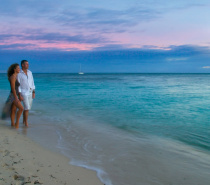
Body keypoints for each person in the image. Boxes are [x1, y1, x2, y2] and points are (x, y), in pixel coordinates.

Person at [1, 64, 24, 128]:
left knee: (13, 110)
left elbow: (17, 88)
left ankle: (12, 124)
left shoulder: (15, 76)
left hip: (14, 95)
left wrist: (19, 95)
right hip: (13, 95)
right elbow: (13, 88)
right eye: (18, 68)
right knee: (21, 108)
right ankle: (17, 124)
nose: (19, 69)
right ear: (15, 69)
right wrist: (16, 97)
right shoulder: (13, 77)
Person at [17, 60, 35, 127]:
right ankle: (26, 123)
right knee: (27, 108)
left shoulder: (30, 72)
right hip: (23, 92)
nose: (28, 65)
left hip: (30, 92)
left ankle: (24, 121)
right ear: (22, 65)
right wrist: (19, 95)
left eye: (28, 64)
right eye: (26, 64)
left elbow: (32, 82)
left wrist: (33, 92)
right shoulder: (19, 74)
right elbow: (18, 85)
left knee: (28, 108)